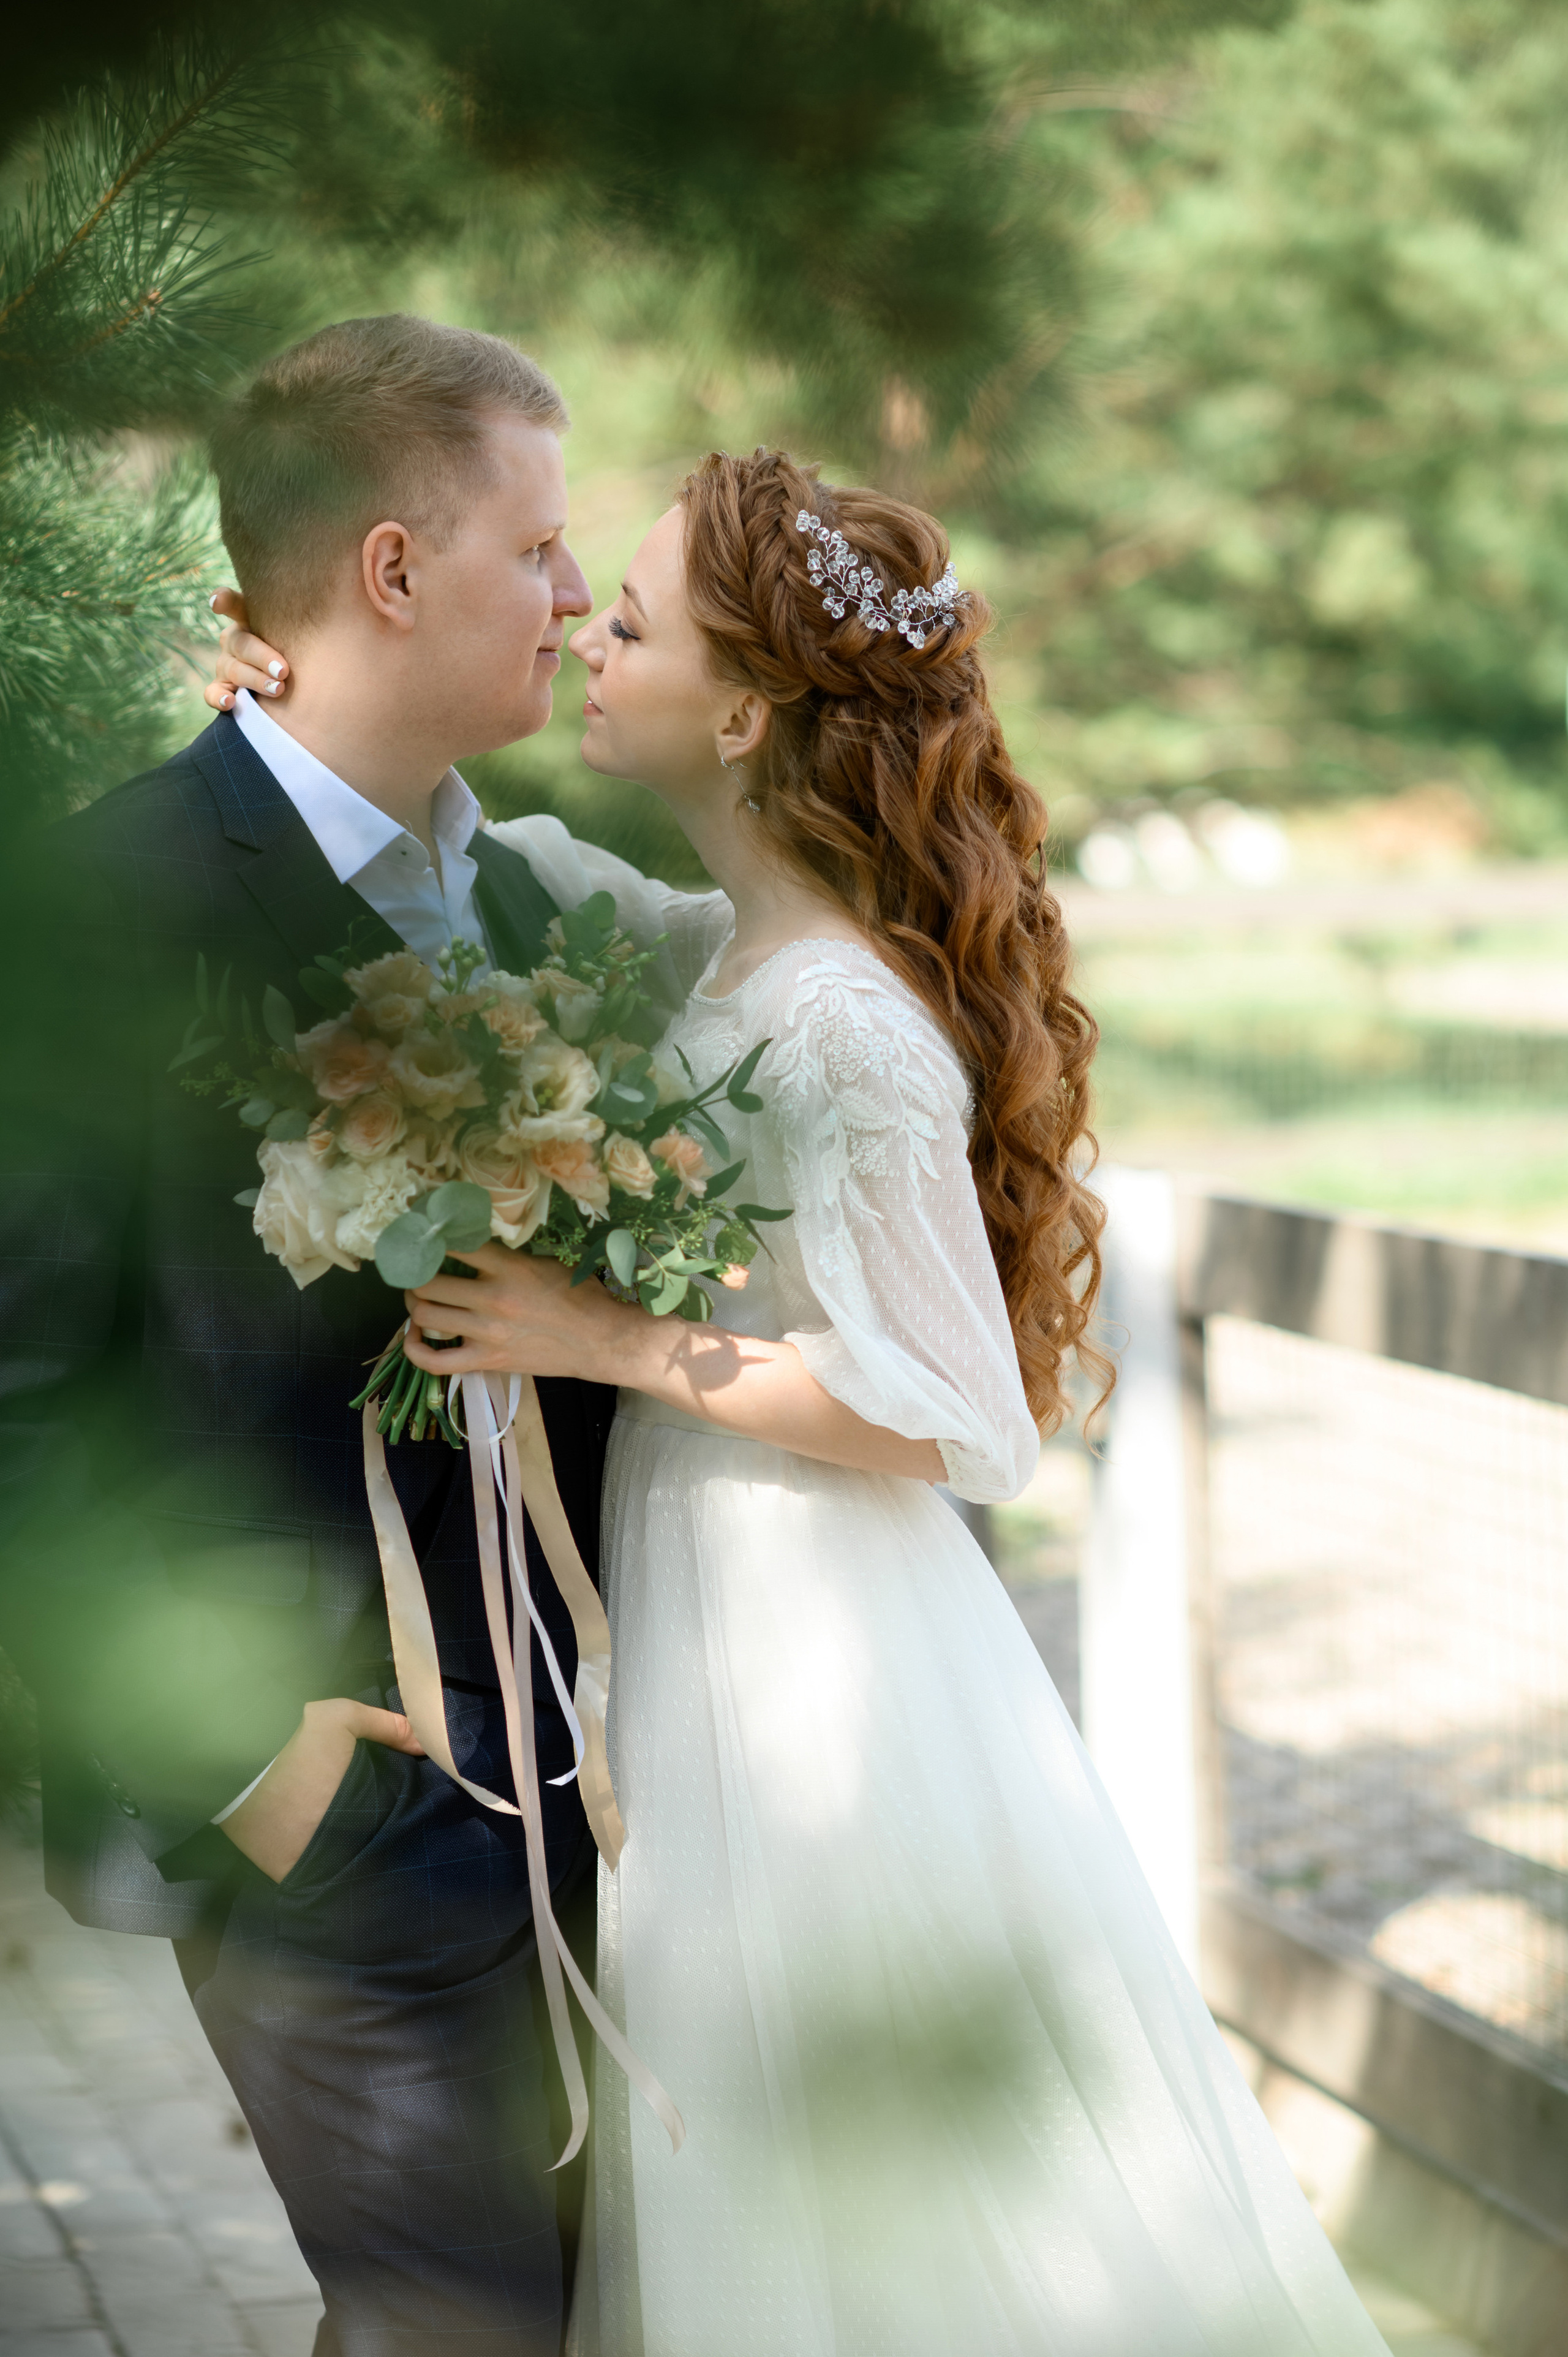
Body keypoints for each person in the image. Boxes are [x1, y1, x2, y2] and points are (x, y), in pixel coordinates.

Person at [210, 448, 1392, 2353]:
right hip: (705, 1605)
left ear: (746, 707)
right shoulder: (728, 950)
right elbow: (511, 880)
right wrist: (318, 724)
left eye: (638, 619)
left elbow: (965, 1416)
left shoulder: (844, 1019)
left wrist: (607, 1346)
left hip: (822, 1639)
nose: (591, 627)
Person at [0, 312, 631, 2357]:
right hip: (327, 1809)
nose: (570, 594)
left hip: (583, 1771)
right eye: (536, 548)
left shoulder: (527, 909)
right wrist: (245, 1766)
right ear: (388, 570)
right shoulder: (108, 911)